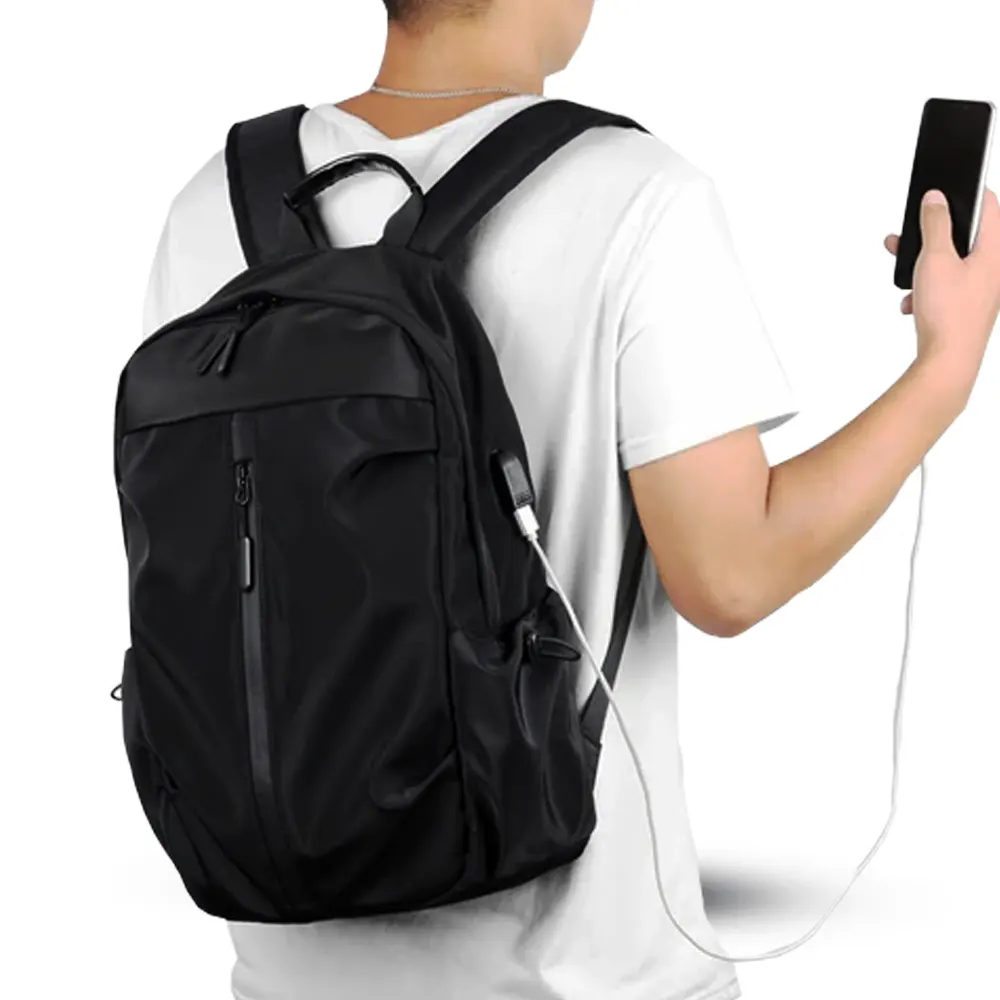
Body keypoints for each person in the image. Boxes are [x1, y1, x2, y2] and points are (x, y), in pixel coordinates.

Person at [142, 1, 1000, 998]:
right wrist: (946, 366)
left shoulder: (214, 203)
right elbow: (731, 573)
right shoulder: (632, 193)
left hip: (283, 968)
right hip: (581, 975)